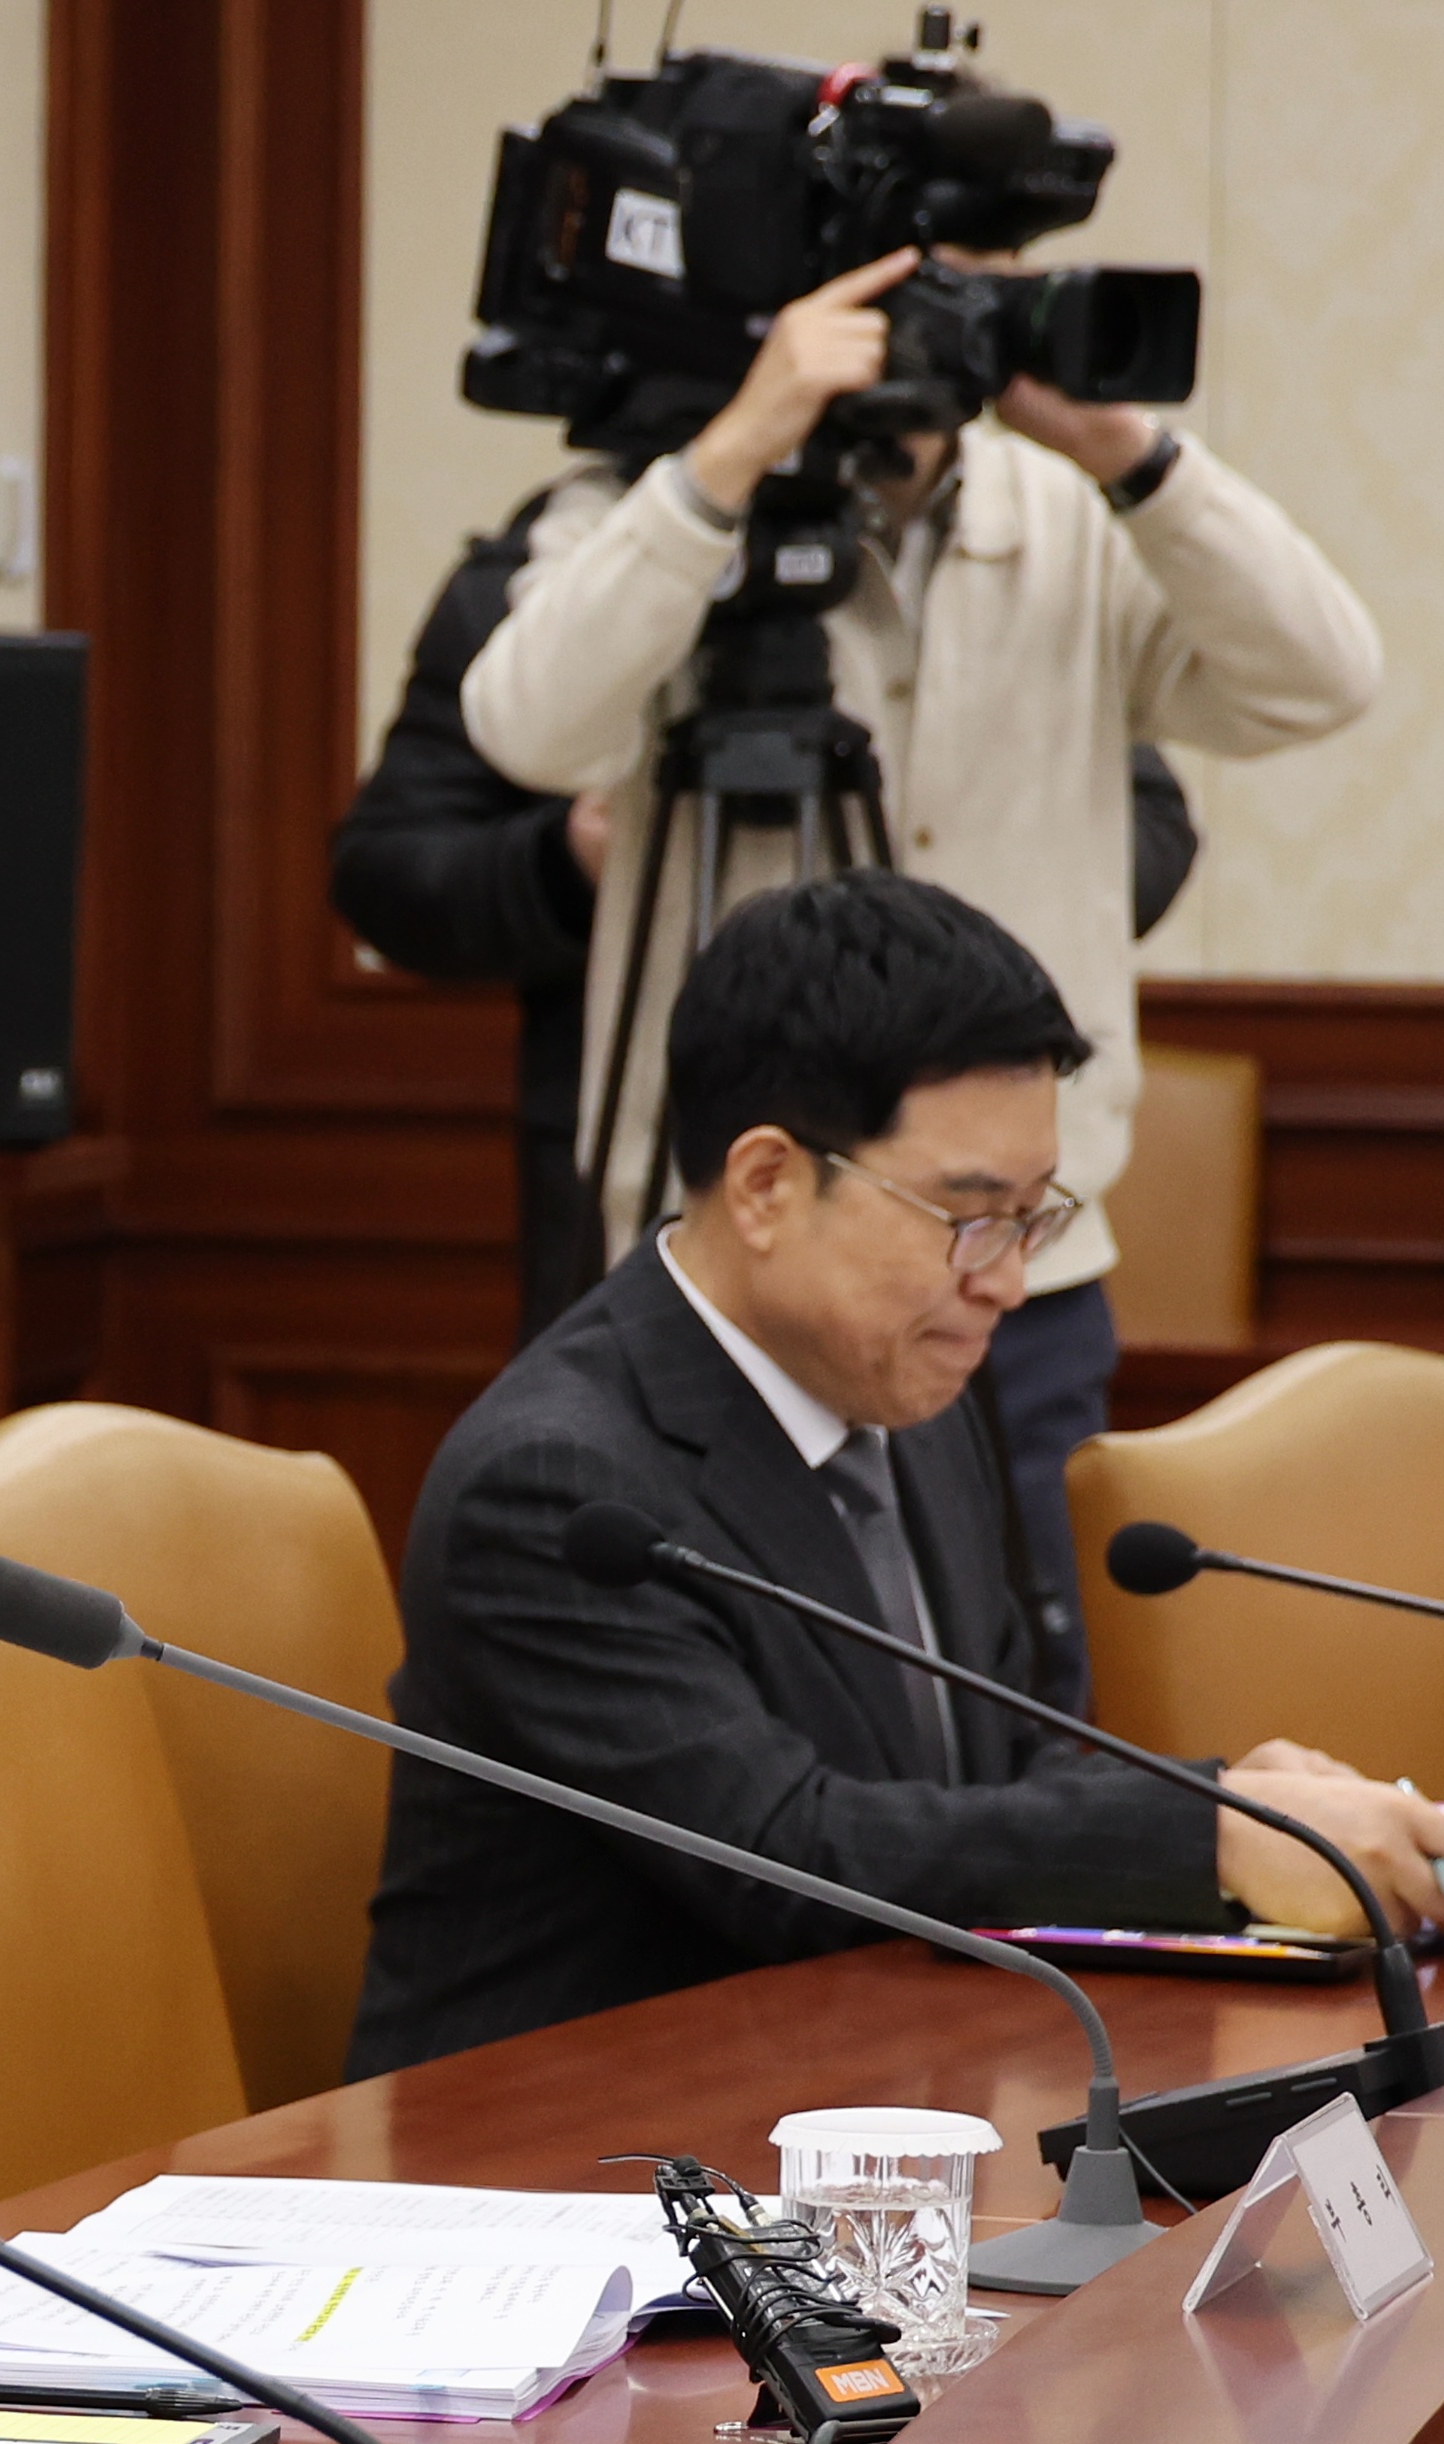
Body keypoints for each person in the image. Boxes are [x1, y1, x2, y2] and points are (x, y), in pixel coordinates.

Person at [348, 871, 1444, 2076]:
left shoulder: (910, 1393)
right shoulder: (557, 1489)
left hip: (863, 2106)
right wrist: (1200, 1834)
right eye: (968, 1214)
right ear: (766, 1185)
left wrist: (1233, 1806)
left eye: (1030, 1214)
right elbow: (788, 1853)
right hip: (555, 2164)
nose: (1004, 1278)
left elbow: (985, 1768)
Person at [460, 241, 1380, 1675]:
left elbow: (1321, 674)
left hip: (1013, 1257)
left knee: (1010, 1707)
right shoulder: (655, 492)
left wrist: (1124, 452)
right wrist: (731, 453)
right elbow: (525, 727)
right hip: (747, 1257)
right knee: (763, 1705)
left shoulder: (1067, 517)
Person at [331, 485, 1203, 1359]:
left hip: (983, 1237)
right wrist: (568, 864)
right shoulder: (601, 547)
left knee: (982, 1490)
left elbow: (1156, 827)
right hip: (665, 1198)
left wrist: (966, 927)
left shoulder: (1014, 549)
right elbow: (391, 868)